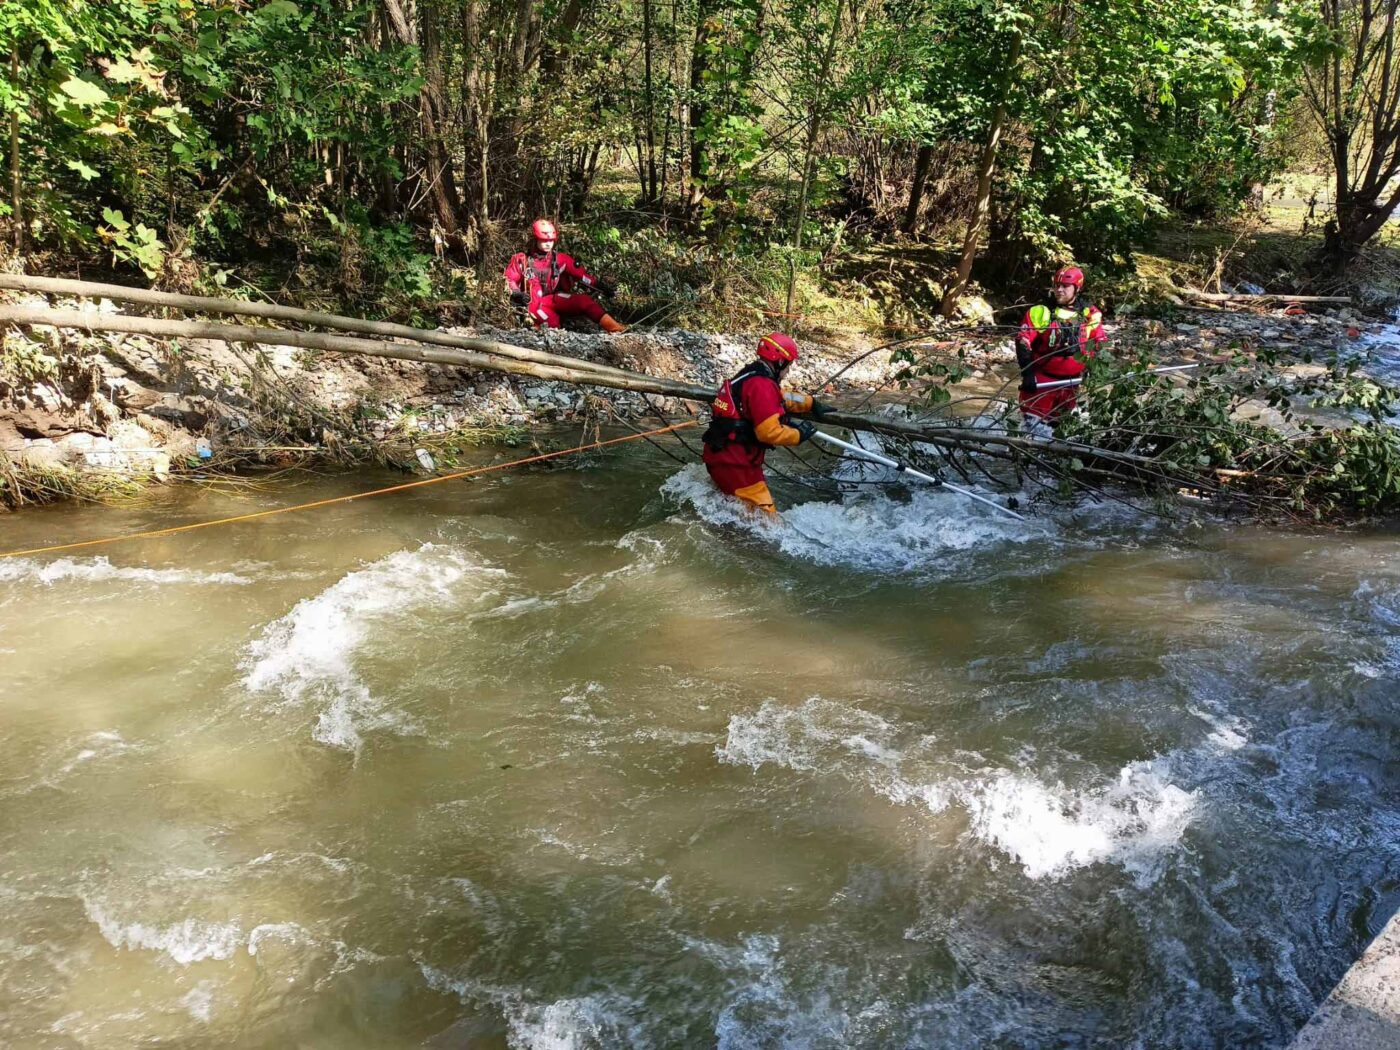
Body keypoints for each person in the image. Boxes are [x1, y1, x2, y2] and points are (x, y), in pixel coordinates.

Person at [701, 332, 834, 515]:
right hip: (738, 465)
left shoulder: (752, 374)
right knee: (767, 525)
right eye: (789, 366)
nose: (789, 371)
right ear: (780, 362)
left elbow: (779, 397)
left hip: (721, 457)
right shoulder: (761, 385)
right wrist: (798, 435)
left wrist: (810, 403)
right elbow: (768, 432)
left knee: (732, 511)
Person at [1015, 266, 1106, 426]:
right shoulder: (1041, 311)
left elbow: (1098, 343)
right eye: (1057, 285)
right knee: (1033, 431)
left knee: (1058, 431)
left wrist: (1092, 370)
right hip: (1042, 382)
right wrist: (1027, 374)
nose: (1059, 290)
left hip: (1071, 385)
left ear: (1077, 288)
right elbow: (1023, 341)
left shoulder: (1090, 314)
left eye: (1065, 286)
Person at [504, 219, 627, 333]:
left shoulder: (560, 259)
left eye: (551, 241)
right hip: (532, 304)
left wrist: (601, 286)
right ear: (535, 239)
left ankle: (615, 328)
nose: (548, 244)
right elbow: (510, 278)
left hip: (553, 298)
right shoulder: (521, 259)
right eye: (544, 240)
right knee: (551, 322)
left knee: (584, 301)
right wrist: (516, 293)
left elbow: (582, 275)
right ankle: (537, 328)